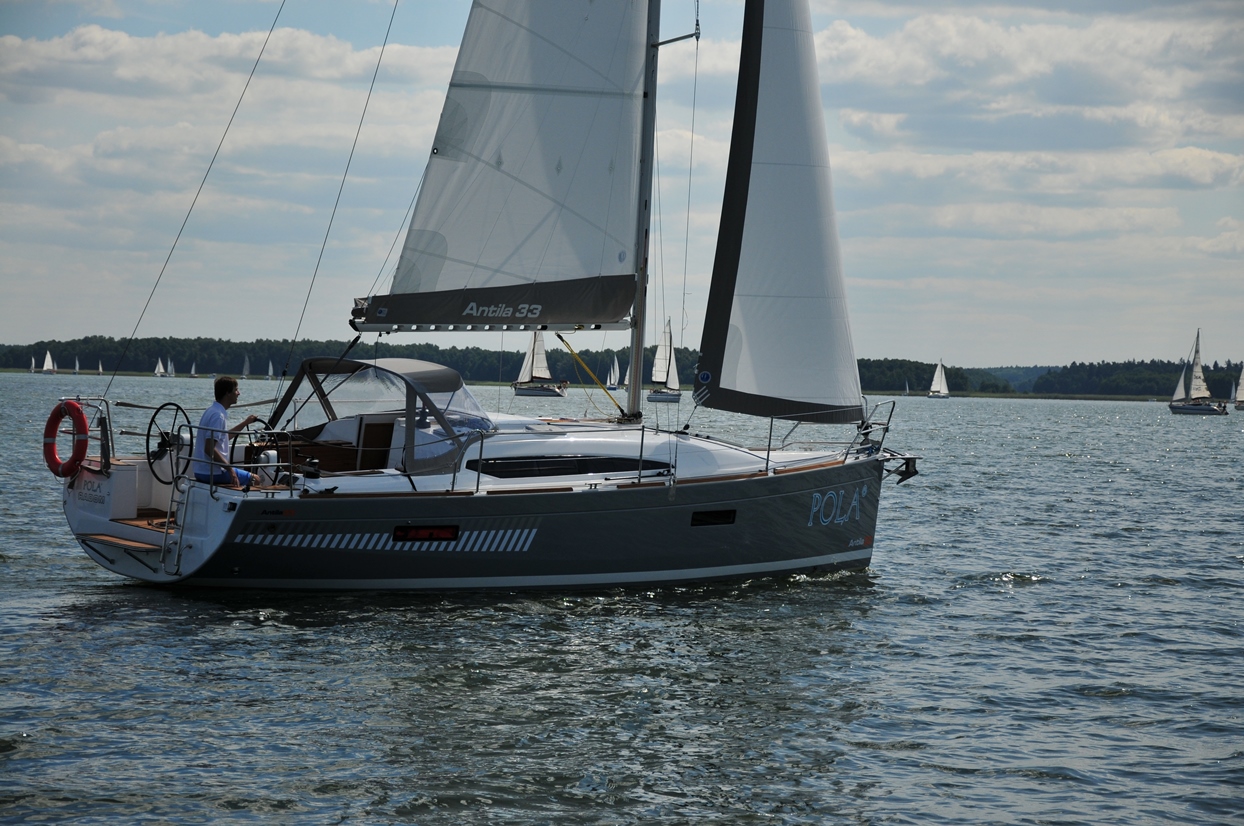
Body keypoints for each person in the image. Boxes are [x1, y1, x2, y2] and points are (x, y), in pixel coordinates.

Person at [192, 375, 260, 486]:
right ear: (228, 393)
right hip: (213, 472)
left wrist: (245, 423)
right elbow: (209, 449)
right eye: (236, 390)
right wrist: (230, 470)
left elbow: (224, 438)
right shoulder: (218, 416)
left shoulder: (211, 410)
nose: (238, 393)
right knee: (256, 479)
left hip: (200, 471)